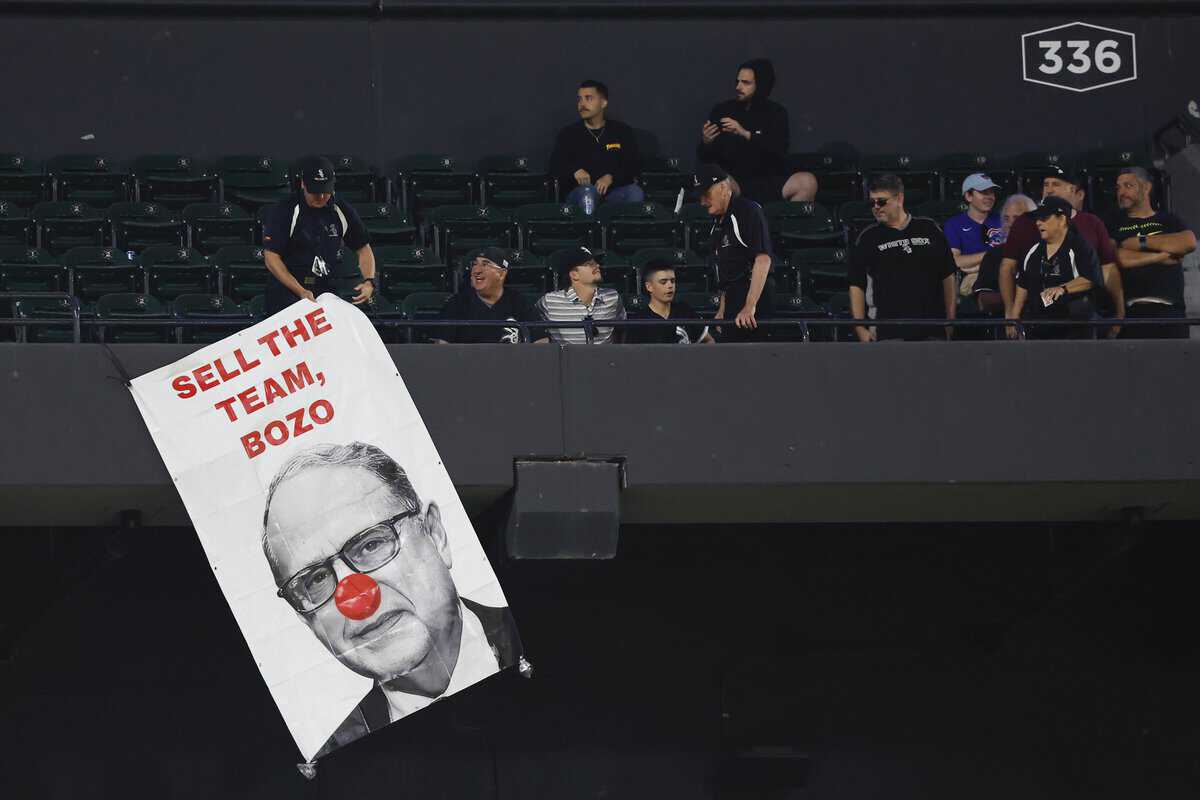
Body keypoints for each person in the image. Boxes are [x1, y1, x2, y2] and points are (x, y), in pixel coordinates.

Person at [261, 441, 522, 756]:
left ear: (434, 534)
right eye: (315, 579)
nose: (355, 598)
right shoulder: (332, 760)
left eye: (371, 544)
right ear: (305, 619)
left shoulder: (552, 639)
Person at [998, 167, 1121, 338]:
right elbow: (1019, 278)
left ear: (1062, 219)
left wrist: (1120, 314)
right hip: (1039, 317)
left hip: (1077, 317)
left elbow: (1098, 276)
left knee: (1080, 308)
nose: (1048, 189)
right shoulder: (1033, 246)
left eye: (1055, 184)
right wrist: (1012, 315)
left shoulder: (1083, 238)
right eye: (1045, 184)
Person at [848, 174, 957, 342]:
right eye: (872, 202)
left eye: (881, 201)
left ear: (899, 198)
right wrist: (860, 328)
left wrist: (950, 321)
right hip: (887, 333)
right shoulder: (868, 238)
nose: (876, 207)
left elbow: (948, 276)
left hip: (932, 331)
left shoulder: (929, 228)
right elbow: (856, 285)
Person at [261, 156, 377, 315]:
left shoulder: (341, 209)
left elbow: (363, 249)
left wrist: (369, 281)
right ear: (303, 184)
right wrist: (300, 291)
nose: (321, 197)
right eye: (315, 192)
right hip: (287, 291)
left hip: (324, 288)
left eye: (326, 191)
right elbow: (271, 258)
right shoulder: (285, 209)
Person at [696, 59, 817, 205]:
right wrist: (706, 143)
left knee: (807, 182)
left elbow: (779, 150)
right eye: (738, 81)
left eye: (746, 83)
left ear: (761, 85)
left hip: (770, 180)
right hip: (736, 181)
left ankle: (786, 226)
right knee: (719, 181)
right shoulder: (722, 110)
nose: (738, 87)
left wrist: (745, 133)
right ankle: (731, 226)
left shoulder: (776, 112)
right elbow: (706, 159)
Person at [1109, 167, 1196, 339]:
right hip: (1132, 314)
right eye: (1118, 187)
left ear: (1147, 188)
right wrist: (1162, 255)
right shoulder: (1114, 222)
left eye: (1128, 185)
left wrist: (1139, 242)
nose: (1122, 192)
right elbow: (1119, 257)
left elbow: (1188, 242)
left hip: (1170, 313)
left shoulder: (1168, 220)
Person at [693, 163, 774, 342]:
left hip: (754, 302)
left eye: (706, 195)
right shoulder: (717, 224)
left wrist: (750, 306)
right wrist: (722, 310)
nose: (702, 202)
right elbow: (726, 275)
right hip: (732, 303)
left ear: (723, 187)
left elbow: (763, 260)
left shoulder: (747, 211)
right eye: (700, 196)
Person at [1010, 196, 1101, 339]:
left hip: (1073, 326)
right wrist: (1013, 318)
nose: (1038, 223)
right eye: (1037, 218)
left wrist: (1062, 288)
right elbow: (1023, 284)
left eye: (1044, 218)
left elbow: (1090, 279)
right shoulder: (1033, 251)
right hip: (1038, 324)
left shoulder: (1080, 246)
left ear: (1062, 220)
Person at [548, 80, 644, 213]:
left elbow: (633, 165)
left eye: (588, 98)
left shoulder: (622, 131)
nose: (582, 104)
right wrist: (575, 170)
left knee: (635, 192)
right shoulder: (568, 134)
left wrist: (611, 177)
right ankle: (590, 232)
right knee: (588, 193)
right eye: (580, 99)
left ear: (603, 103)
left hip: (613, 192)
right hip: (580, 192)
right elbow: (555, 165)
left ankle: (623, 232)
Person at [433, 247, 533, 344]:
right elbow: (441, 345)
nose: (476, 270)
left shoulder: (518, 301)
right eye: (475, 264)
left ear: (502, 273)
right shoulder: (457, 304)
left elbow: (541, 340)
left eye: (485, 265)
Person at [534, 246, 625, 344]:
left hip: (605, 358)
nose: (597, 266)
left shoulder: (613, 297)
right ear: (574, 274)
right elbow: (535, 332)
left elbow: (621, 329)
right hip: (566, 358)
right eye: (589, 264)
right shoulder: (549, 301)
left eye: (596, 263)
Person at [974, 194, 1037, 316]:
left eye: (1017, 218)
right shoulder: (994, 254)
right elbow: (983, 299)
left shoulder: (1048, 251)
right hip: (1003, 321)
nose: (1010, 224)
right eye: (1006, 219)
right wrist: (1017, 299)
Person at [623, 259, 712, 343]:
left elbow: (709, 341)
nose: (670, 286)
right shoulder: (639, 321)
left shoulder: (685, 310)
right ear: (649, 286)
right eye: (663, 282)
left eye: (672, 281)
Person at [944, 173, 1003, 293]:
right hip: (974, 279)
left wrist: (977, 265)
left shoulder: (1002, 219)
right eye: (983, 192)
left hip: (1005, 273)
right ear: (968, 196)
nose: (989, 196)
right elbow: (956, 261)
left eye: (991, 192)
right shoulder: (954, 224)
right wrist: (992, 255)